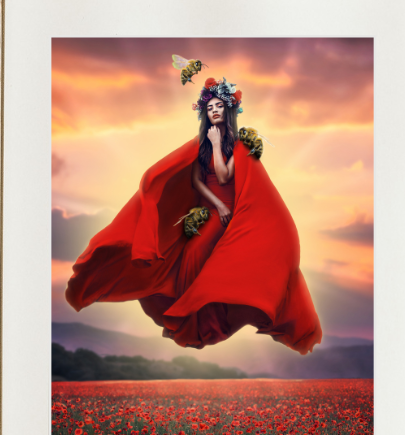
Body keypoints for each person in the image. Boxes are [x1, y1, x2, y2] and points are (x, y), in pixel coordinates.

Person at [64, 76, 321, 354]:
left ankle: (206, 322)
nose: (214, 111)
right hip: (213, 210)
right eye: (209, 107)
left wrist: (217, 168)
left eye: (220, 106)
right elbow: (198, 180)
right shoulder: (201, 144)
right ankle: (194, 321)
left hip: (231, 216)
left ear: (229, 111)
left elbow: (223, 176)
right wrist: (215, 203)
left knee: (201, 252)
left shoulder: (240, 146)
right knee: (187, 254)